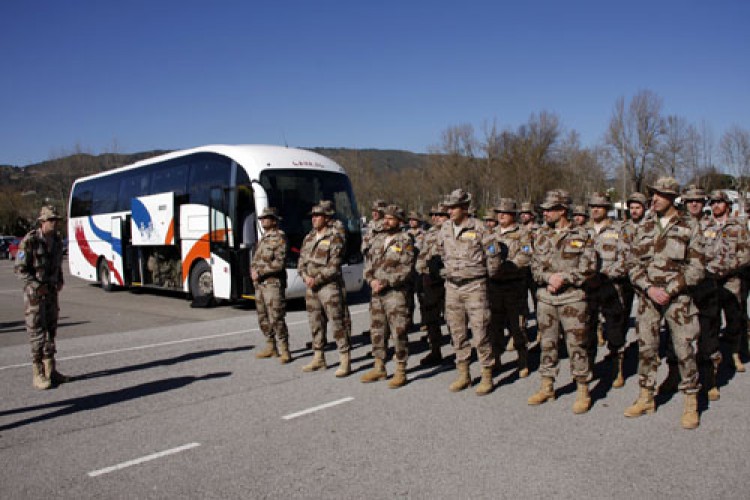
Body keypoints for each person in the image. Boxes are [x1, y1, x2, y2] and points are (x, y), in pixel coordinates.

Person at [625, 177, 704, 429]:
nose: (654, 199)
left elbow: (697, 268)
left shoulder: (689, 226)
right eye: (653, 194)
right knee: (647, 349)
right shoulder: (644, 227)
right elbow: (632, 264)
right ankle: (646, 396)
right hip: (648, 299)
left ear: (672, 198)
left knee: (685, 350)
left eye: (659, 195)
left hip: (678, 300)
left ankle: (691, 401)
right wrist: (648, 287)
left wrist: (669, 290)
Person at [528, 190, 596, 414]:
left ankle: (582, 389)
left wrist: (564, 278)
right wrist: (548, 278)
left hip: (573, 299)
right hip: (547, 298)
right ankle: (547, 386)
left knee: (577, 345)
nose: (545, 213)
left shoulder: (583, 235)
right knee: (547, 344)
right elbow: (535, 267)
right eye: (544, 209)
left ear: (562, 211)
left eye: (549, 209)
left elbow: (589, 267)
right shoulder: (541, 235)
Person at [437, 189, 494, 395]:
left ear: (464, 208)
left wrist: (483, 276)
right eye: (448, 208)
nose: (449, 211)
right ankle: (464, 374)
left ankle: (487, 374)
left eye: (453, 207)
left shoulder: (479, 228)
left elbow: (493, 256)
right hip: (452, 287)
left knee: (480, 333)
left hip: (474, 287)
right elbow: (442, 252)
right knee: (457, 332)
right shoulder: (444, 228)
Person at [360, 205, 416, 388]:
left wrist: (386, 281)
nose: (386, 221)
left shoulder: (405, 240)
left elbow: (406, 269)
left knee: (398, 332)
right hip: (377, 293)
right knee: (377, 331)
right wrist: (371, 281)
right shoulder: (378, 239)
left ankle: (401, 370)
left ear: (399, 221)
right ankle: (379, 366)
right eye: (385, 218)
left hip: (396, 294)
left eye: (391, 218)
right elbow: (369, 265)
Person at [15, 205, 69, 389]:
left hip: (52, 294)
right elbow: (20, 269)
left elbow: (57, 265)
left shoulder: (57, 240)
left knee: (51, 331)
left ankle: (51, 370)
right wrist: (37, 287)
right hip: (35, 297)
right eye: (51, 220)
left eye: (56, 220)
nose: (54, 224)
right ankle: (38, 373)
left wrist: (59, 280)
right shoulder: (30, 241)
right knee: (37, 334)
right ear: (42, 222)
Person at [297, 200, 351, 377]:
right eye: (313, 216)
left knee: (337, 322)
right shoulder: (309, 237)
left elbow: (334, 265)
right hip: (311, 287)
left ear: (327, 218)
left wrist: (317, 279)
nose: (314, 219)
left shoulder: (335, 237)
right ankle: (319, 357)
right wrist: (305, 277)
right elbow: (301, 262)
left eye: (318, 216)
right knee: (315, 322)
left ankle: (345, 359)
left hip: (329, 287)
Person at [584, 192, 628, 387]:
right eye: (592, 206)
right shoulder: (581, 231)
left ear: (607, 209)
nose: (595, 209)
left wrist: (605, 275)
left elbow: (626, 259)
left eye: (599, 207)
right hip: (587, 289)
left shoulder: (618, 230)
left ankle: (617, 368)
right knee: (587, 329)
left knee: (614, 331)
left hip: (611, 287)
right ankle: (589, 366)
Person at [487, 198, 533, 378]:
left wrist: (510, 266)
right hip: (495, 285)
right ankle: (496, 358)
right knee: (495, 325)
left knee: (517, 325)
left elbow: (527, 254)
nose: (501, 216)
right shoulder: (491, 232)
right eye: (499, 213)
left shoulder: (522, 233)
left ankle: (522, 359)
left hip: (514, 284)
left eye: (504, 214)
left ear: (513, 215)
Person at [251, 207, 291, 363]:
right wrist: (253, 270)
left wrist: (260, 272)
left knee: (276, 317)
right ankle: (270, 346)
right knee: (262, 317)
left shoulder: (279, 238)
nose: (262, 221)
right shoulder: (263, 239)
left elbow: (279, 264)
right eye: (261, 218)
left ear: (274, 220)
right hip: (260, 285)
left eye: (266, 218)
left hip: (273, 284)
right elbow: (256, 259)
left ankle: (284, 349)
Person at [415, 204, 449, 366]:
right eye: (433, 214)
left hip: (448, 280)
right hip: (431, 280)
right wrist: (422, 268)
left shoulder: (452, 232)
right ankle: (435, 350)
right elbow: (422, 254)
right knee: (431, 317)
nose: (435, 217)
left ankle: (460, 351)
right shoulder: (429, 233)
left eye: (440, 215)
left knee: (453, 318)